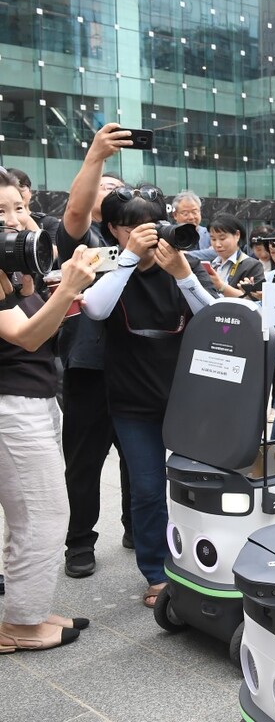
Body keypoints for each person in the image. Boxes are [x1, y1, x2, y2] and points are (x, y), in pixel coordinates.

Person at [82, 185, 215, 608]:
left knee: (197, 485)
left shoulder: (180, 263)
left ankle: (202, 561)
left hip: (183, 400)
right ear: (116, 231)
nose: (145, 236)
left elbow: (214, 321)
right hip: (131, 402)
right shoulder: (106, 265)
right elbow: (96, 310)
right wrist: (125, 260)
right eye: (132, 228)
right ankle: (156, 571)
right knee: (146, 487)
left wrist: (184, 275)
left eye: (152, 226)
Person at [0, 171, 96, 651]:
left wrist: (62, 291)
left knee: (31, 516)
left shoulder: (12, 269)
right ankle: (18, 624)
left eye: (18, 207)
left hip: (32, 400)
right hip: (12, 408)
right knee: (43, 516)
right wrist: (66, 289)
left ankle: (26, 609)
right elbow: (27, 336)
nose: (15, 220)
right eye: (0, 213)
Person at [54, 127, 134, 579]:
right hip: (87, 368)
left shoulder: (144, 244)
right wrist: (96, 159)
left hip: (138, 370)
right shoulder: (78, 243)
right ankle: (79, 542)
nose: (108, 191)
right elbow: (76, 209)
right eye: (102, 185)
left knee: (138, 458)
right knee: (83, 461)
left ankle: (136, 529)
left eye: (115, 188)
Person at [202, 214, 264, 299]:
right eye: (213, 239)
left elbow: (254, 299)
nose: (217, 244)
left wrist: (220, 285)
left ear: (237, 235)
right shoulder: (210, 264)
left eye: (222, 238)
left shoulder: (252, 266)